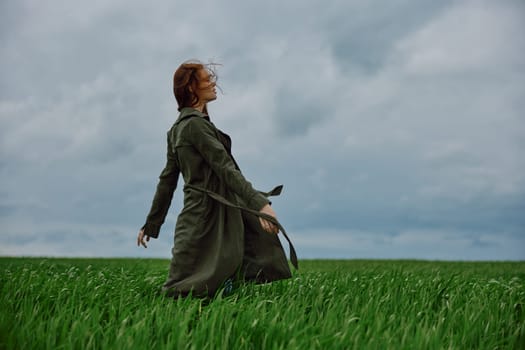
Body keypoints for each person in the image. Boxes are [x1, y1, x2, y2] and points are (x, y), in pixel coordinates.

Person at [137, 60, 296, 298]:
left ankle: (222, 306)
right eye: (207, 79)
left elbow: (168, 181)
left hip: (215, 211)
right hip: (204, 215)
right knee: (182, 284)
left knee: (226, 270)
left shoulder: (180, 128)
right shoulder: (193, 127)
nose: (213, 84)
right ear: (191, 88)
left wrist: (152, 223)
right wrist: (261, 205)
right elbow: (223, 170)